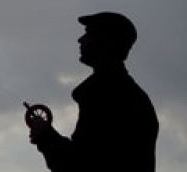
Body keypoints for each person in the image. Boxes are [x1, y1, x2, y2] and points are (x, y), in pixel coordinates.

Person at [27, 11, 157, 170]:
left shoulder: (106, 95)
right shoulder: (132, 96)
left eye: (88, 34)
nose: (80, 40)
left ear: (105, 41)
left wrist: (46, 136)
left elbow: (81, 164)